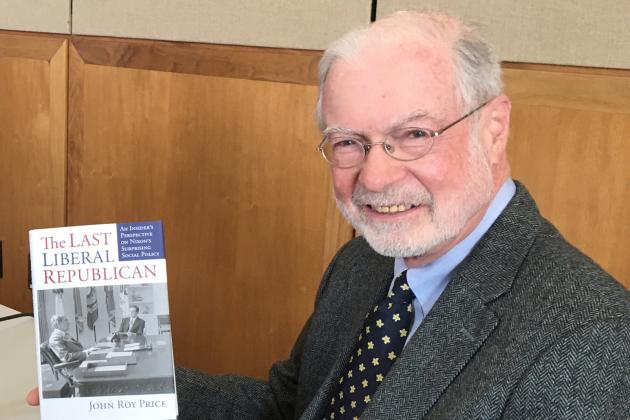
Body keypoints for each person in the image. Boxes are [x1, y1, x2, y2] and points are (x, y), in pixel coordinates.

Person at [28, 10, 630, 417]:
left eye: (414, 134)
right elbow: (293, 405)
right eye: (348, 142)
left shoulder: (593, 340)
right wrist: (122, 388)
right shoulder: (367, 260)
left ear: (493, 129)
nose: (374, 177)